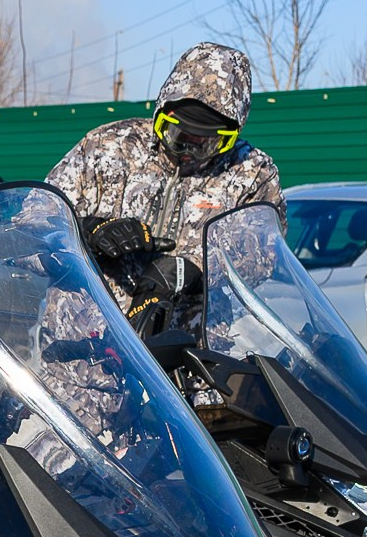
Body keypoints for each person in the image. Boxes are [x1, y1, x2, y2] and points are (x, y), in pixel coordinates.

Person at [44, 41, 281, 330]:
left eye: (206, 144)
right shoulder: (107, 146)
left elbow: (266, 253)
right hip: (82, 349)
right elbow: (33, 222)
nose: (187, 153)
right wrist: (86, 229)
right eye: (177, 135)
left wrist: (194, 269)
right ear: (161, 113)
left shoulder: (252, 173)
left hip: (181, 357)